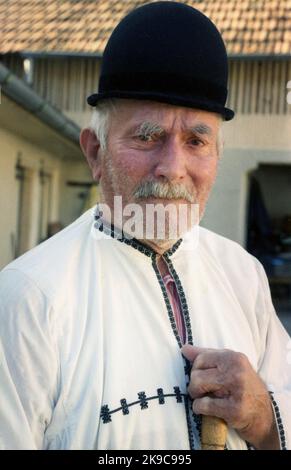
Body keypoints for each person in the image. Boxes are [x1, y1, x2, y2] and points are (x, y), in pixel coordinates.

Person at [0, 1, 290, 451]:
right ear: (95, 152)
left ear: (217, 156)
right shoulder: (28, 300)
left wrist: (261, 416)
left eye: (197, 140)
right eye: (147, 136)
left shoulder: (243, 274)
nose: (173, 168)